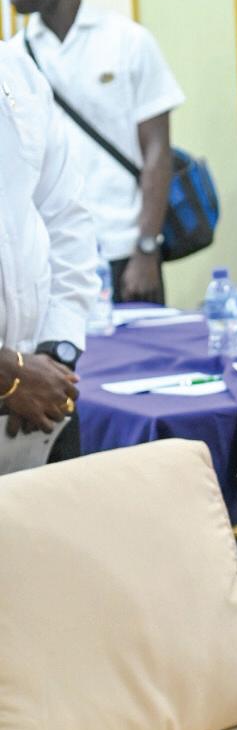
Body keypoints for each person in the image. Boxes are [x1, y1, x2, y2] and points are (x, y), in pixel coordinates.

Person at [7, 0, 184, 304]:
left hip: (125, 250)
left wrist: (146, 248)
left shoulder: (126, 41)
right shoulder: (15, 58)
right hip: (51, 256)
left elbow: (157, 151)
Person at [0, 39, 96, 468]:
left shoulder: (17, 70)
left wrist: (57, 348)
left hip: (44, 390)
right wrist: (7, 374)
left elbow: (66, 214)